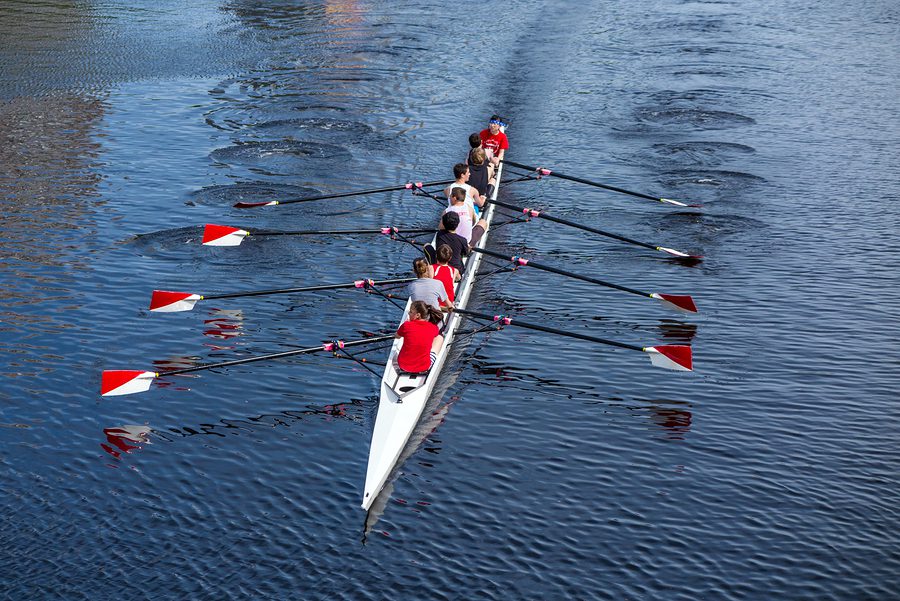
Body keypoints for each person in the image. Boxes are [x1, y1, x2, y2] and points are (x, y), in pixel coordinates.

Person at [396, 300, 444, 373]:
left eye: (411, 312)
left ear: (418, 315)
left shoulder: (406, 325)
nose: (408, 313)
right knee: (440, 337)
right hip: (424, 367)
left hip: (402, 365)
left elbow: (397, 336)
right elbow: (433, 335)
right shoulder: (433, 328)